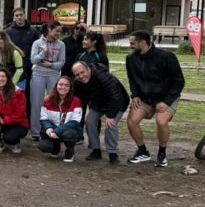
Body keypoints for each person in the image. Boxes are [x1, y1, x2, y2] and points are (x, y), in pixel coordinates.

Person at [124, 30, 185, 167]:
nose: (130, 46)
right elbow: (132, 80)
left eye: (133, 43)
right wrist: (135, 95)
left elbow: (179, 81)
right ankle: (142, 151)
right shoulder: (130, 58)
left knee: (161, 121)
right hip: (145, 98)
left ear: (143, 42)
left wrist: (167, 101)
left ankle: (162, 154)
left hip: (167, 96)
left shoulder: (167, 57)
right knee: (131, 121)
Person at [71, 61, 129, 165]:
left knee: (111, 124)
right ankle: (96, 150)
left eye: (82, 72)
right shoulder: (78, 82)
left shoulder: (104, 77)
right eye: (77, 74)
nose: (81, 76)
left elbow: (115, 97)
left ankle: (112, 153)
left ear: (88, 69)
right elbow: (77, 98)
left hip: (118, 103)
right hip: (98, 103)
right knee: (89, 121)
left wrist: (110, 115)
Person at [29, 21, 65, 140]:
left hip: (53, 75)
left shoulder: (61, 45)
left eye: (60, 31)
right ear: (49, 29)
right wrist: (43, 52)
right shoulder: (37, 43)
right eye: (57, 31)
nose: (59, 34)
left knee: (54, 102)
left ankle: (54, 130)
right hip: (38, 75)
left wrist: (50, 65)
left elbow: (61, 63)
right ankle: (35, 132)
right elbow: (33, 60)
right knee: (36, 103)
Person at [37, 76, 84, 162]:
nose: (63, 87)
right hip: (53, 129)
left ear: (70, 88)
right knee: (43, 145)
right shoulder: (48, 100)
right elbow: (43, 118)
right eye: (61, 84)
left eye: (66, 85)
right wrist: (48, 128)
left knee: (70, 134)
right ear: (56, 86)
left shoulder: (76, 101)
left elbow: (75, 122)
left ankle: (70, 151)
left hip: (68, 129)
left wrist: (57, 131)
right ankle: (55, 148)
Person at [0, 68, 29, 154]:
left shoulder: (18, 92)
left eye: (3, 76)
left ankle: (16, 143)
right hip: (2, 121)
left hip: (19, 123)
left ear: (8, 78)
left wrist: (4, 120)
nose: (0, 79)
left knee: (10, 139)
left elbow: (20, 112)